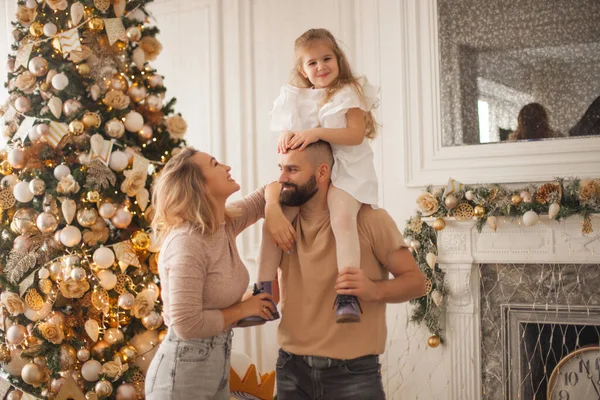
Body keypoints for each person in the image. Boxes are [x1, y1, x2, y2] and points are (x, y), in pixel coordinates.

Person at [269, 141, 427, 400]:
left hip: (353, 374)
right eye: (281, 169)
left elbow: (416, 282)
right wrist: (269, 207)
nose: (282, 178)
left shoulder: (369, 219)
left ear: (322, 173)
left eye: (292, 170)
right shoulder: (282, 222)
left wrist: (374, 289)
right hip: (290, 369)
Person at [247, 28, 381, 326]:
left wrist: (317, 132)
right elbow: (292, 128)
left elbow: (356, 134)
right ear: (302, 70)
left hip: (346, 171)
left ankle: (348, 295)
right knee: (277, 219)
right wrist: (286, 136)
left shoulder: (350, 92)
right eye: (312, 63)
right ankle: (263, 293)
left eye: (327, 58)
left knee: (342, 218)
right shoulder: (297, 97)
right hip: (311, 175)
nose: (321, 67)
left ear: (338, 59)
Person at [145, 147, 278, 400]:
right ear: (199, 186)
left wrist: (276, 213)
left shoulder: (222, 226)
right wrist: (244, 309)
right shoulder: (186, 243)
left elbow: (265, 195)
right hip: (180, 378)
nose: (227, 167)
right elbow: (186, 323)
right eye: (216, 164)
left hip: (214, 369)